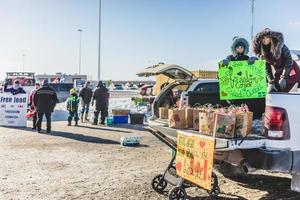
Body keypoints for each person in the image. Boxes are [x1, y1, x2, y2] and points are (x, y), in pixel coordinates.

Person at [253, 28, 300, 92]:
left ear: (271, 38)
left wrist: (284, 77)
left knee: (292, 82)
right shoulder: (262, 51)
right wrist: (270, 82)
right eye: (263, 38)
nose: (265, 40)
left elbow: (289, 60)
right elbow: (267, 67)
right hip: (278, 71)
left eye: (267, 38)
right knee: (276, 88)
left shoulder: (280, 45)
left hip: (290, 68)